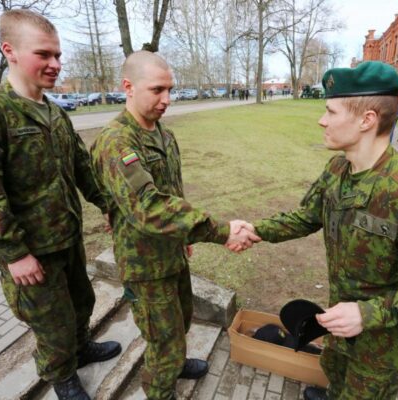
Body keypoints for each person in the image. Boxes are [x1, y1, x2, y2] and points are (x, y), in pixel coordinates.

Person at [243, 61, 398, 400]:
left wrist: (368, 314)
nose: (321, 120)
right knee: (335, 380)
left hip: (381, 351)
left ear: (367, 120)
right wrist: (256, 230)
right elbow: (307, 217)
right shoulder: (339, 168)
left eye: (331, 111)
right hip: (339, 329)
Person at [0, 10, 121, 400]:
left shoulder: (53, 112)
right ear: (9, 50)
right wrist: (14, 253)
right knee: (51, 323)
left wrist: (106, 203)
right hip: (31, 251)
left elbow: (82, 166)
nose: (55, 64)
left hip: (66, 238)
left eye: (58, 55)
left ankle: (80, 351)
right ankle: (60, 375)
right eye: (44, 54)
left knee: (82, 303)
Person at [90, 50, 260, 400]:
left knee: (180, 319)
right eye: (157, 90)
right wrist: (222, 230)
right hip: (144, 264)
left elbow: (172, 192)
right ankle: (161, 389)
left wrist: (184, 235)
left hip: (170, 252)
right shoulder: (117, 141)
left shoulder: (162, 135)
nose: (167, 99)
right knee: (162, 338)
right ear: (129, 87)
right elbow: (150, 207)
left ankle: (177, 363)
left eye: (170, 89)